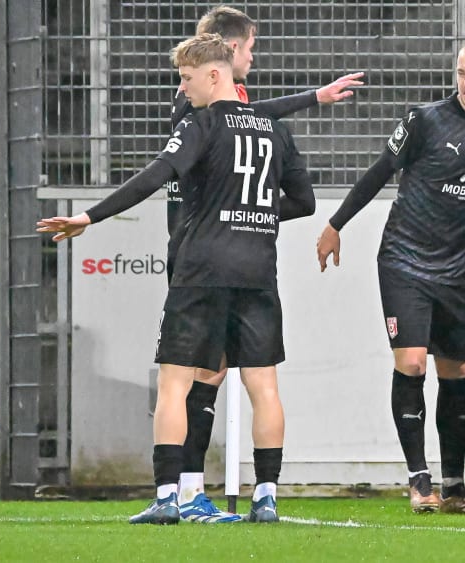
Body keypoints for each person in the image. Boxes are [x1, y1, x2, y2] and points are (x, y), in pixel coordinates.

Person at [38, 33, 316, 524]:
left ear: (214, 75)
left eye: (187, 79)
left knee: (175, 384)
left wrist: (90, 217)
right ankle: (266, 498)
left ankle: (168, 497)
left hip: (202, 271)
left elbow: (155, 173)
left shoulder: (201, 124)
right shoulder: (274, 130)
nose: (183, 89)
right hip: (257, 272)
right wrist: (253, 214)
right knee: (264, 387)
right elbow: (304, 201)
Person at [166, 5, 363, 524]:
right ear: (228, 53)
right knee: (217, 376)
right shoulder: (197, 106)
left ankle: (187, 494)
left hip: (214, 258)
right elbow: (290, 185)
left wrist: (247, 210)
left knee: (207, 374)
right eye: (250, 47)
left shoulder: (225, 108)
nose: (253, 56)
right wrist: (312, 98)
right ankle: (205, 492)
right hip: (206, 255)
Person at [316, 38, 465, 515]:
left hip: (458, 270)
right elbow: (379, 172)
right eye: (461, 73)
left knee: (458, 372)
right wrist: (335, 225)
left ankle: (454, 486)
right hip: (405, 261)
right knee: (411, 363)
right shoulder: (424, 119)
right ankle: (418, 479)